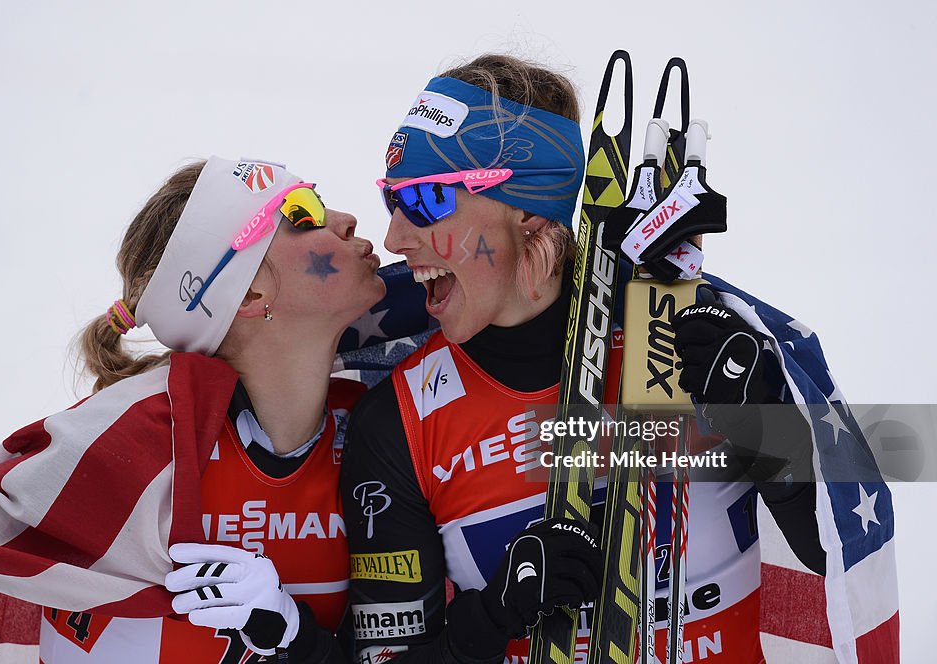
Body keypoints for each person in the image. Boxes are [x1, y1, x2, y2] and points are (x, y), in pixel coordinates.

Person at [340, 54, 848, 664]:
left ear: (527, 210)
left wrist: (769, 422)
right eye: (391, 199)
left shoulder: (688, 332)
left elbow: (840, 564)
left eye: (423, 200)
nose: (395, 237)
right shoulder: (400, 422)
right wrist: (493, 616)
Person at [0, 156, 386, 662]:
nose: (344, 219)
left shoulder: (391, 411)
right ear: (248, 292)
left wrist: (291, 635)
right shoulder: (137, 434)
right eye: (302, 212)